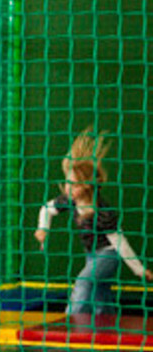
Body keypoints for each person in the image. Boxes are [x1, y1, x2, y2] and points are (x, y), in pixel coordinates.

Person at [35, 128, 152, 318]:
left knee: (84, 281)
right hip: (91, 255)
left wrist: (139, 270)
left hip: (108, 256)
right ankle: (108, 326)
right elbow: (46, 209)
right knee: (101, 295)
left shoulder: (102, 212)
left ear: (87, 186)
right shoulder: (70, 200)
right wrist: (42, 229)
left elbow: (121, 244)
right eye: (67, 182)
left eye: (74, 184)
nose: (68, 188)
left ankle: (70, 323)